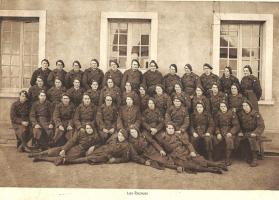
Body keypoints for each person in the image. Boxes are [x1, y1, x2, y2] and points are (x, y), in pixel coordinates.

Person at [155, 123, 227, 174]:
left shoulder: (178, 135)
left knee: (199, 159)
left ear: (174, 129)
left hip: (185, 152)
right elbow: (158, 145)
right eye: (169, 128)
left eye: (172, 128)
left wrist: (192, 151)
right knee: (191, 165)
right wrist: (161, 150)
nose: (171, 130)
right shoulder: (163, 137)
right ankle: (212, 170)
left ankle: (218, 165)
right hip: (176, 156)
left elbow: (188, 144)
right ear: (166, 129)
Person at [29, 123, 102, 166]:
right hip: (72, 146)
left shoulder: (96, 137)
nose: (89, 130)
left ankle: (40, 158)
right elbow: (72, 141)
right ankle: (37, 154)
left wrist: (93, 146)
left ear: (93, 129)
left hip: (79, 152)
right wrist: (64, 149)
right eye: (87, 128)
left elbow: (100, 143)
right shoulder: (81, 132)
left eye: (90, 128)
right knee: (53, 151)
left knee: (61, 158)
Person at [64, 131, 131, 165]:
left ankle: (67, 161)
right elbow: (106, 143)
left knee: (88, 158)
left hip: (105, 156)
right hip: (102, 149)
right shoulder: (114, 139)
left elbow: (125, 158)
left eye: (122, 136)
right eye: (119, 135)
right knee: (86, 154)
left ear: (125, 137)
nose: (120, 137)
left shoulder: (126, 146)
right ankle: (65, 158)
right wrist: (95, 147)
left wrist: (115, 160)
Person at [236, 100, 265, 167]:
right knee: (239, 139)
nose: (245, 107)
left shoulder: (256, 114)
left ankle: (255, 158)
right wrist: (240, 132)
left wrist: (255, 133)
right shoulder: (241, 114)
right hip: (245, 132)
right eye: (243, 106)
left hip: (254, 133)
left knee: (252, 139)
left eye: (246, 105)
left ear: (250, 106)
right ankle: (247, 156)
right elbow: (238, 125)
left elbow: (261, 125)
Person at [213, 101, 240, 165]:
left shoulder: (232, 113)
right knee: (215, 139)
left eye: (224, 106)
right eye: (221, 107)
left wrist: (231, 132)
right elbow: (216, 125)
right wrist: (218, 133)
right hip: (221, 131)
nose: (223, 108)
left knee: (229, 140)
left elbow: (236, 125)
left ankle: (228, 158)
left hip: (229, 131)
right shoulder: (217, 114)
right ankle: (217, 156)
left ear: (227, 107)